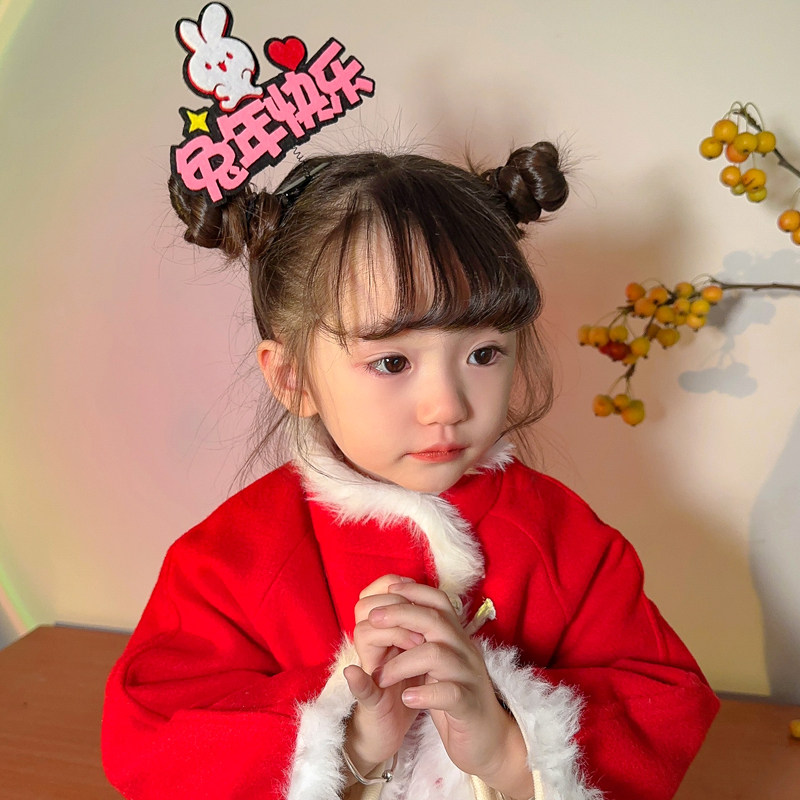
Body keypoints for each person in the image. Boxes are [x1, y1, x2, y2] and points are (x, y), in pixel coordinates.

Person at [102, 144, 719, 800]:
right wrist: (350, 740)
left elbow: (663, 702)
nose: (447, 406)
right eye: (392, 362)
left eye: (484, 353)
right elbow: (152, 736)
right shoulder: (229, 561)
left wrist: (506, 747)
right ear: (292, 377)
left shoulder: (567, 542)